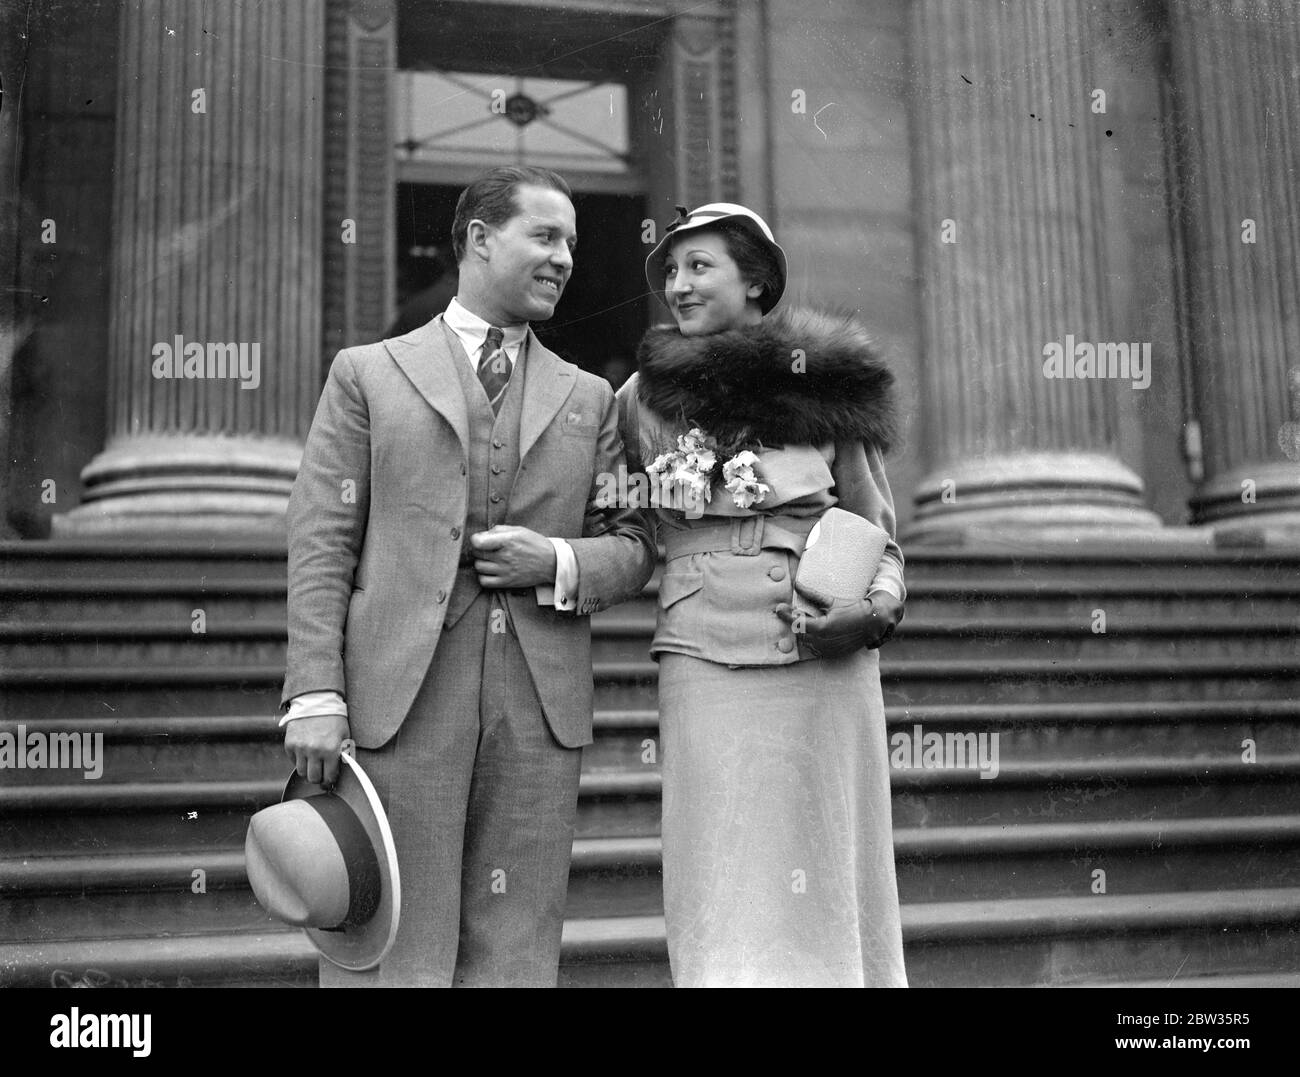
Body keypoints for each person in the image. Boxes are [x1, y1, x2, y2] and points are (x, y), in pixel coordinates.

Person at [280, 165, 657, 987]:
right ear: (480, 239)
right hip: (398, 698)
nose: (564, 258)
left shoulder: (589, 397)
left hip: (537, 705)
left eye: (572, 243)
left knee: (518, 945)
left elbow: (635, 542)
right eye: (545, 235)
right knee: (393, 938)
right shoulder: (368, 374)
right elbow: (321, 542)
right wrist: (315, 691)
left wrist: (555, 560)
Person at [616, 203, 908, 987]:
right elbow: (615, 521)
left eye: (698, 266)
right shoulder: (641, 397)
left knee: (827, 856)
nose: (678, 284)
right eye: (670, 270)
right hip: (704, 653)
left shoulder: (828, 384)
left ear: (754, 280)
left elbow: (875, 526)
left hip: (824, 654)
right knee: (720, 859)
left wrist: (872, 610)